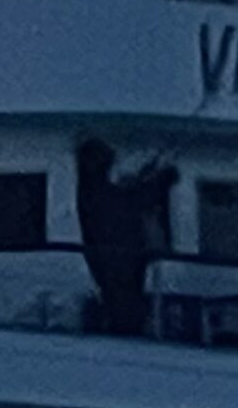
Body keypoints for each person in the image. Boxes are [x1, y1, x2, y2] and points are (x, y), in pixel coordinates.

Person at [75, 137, 177, 337]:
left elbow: (125, 198)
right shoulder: (93, 194)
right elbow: (128, 202)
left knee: (125, 306)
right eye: (104, 162)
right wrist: (162, 179)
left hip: (120, 265)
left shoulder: (90, 190)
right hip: (116, 267)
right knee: (124, 310)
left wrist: (148, 178)